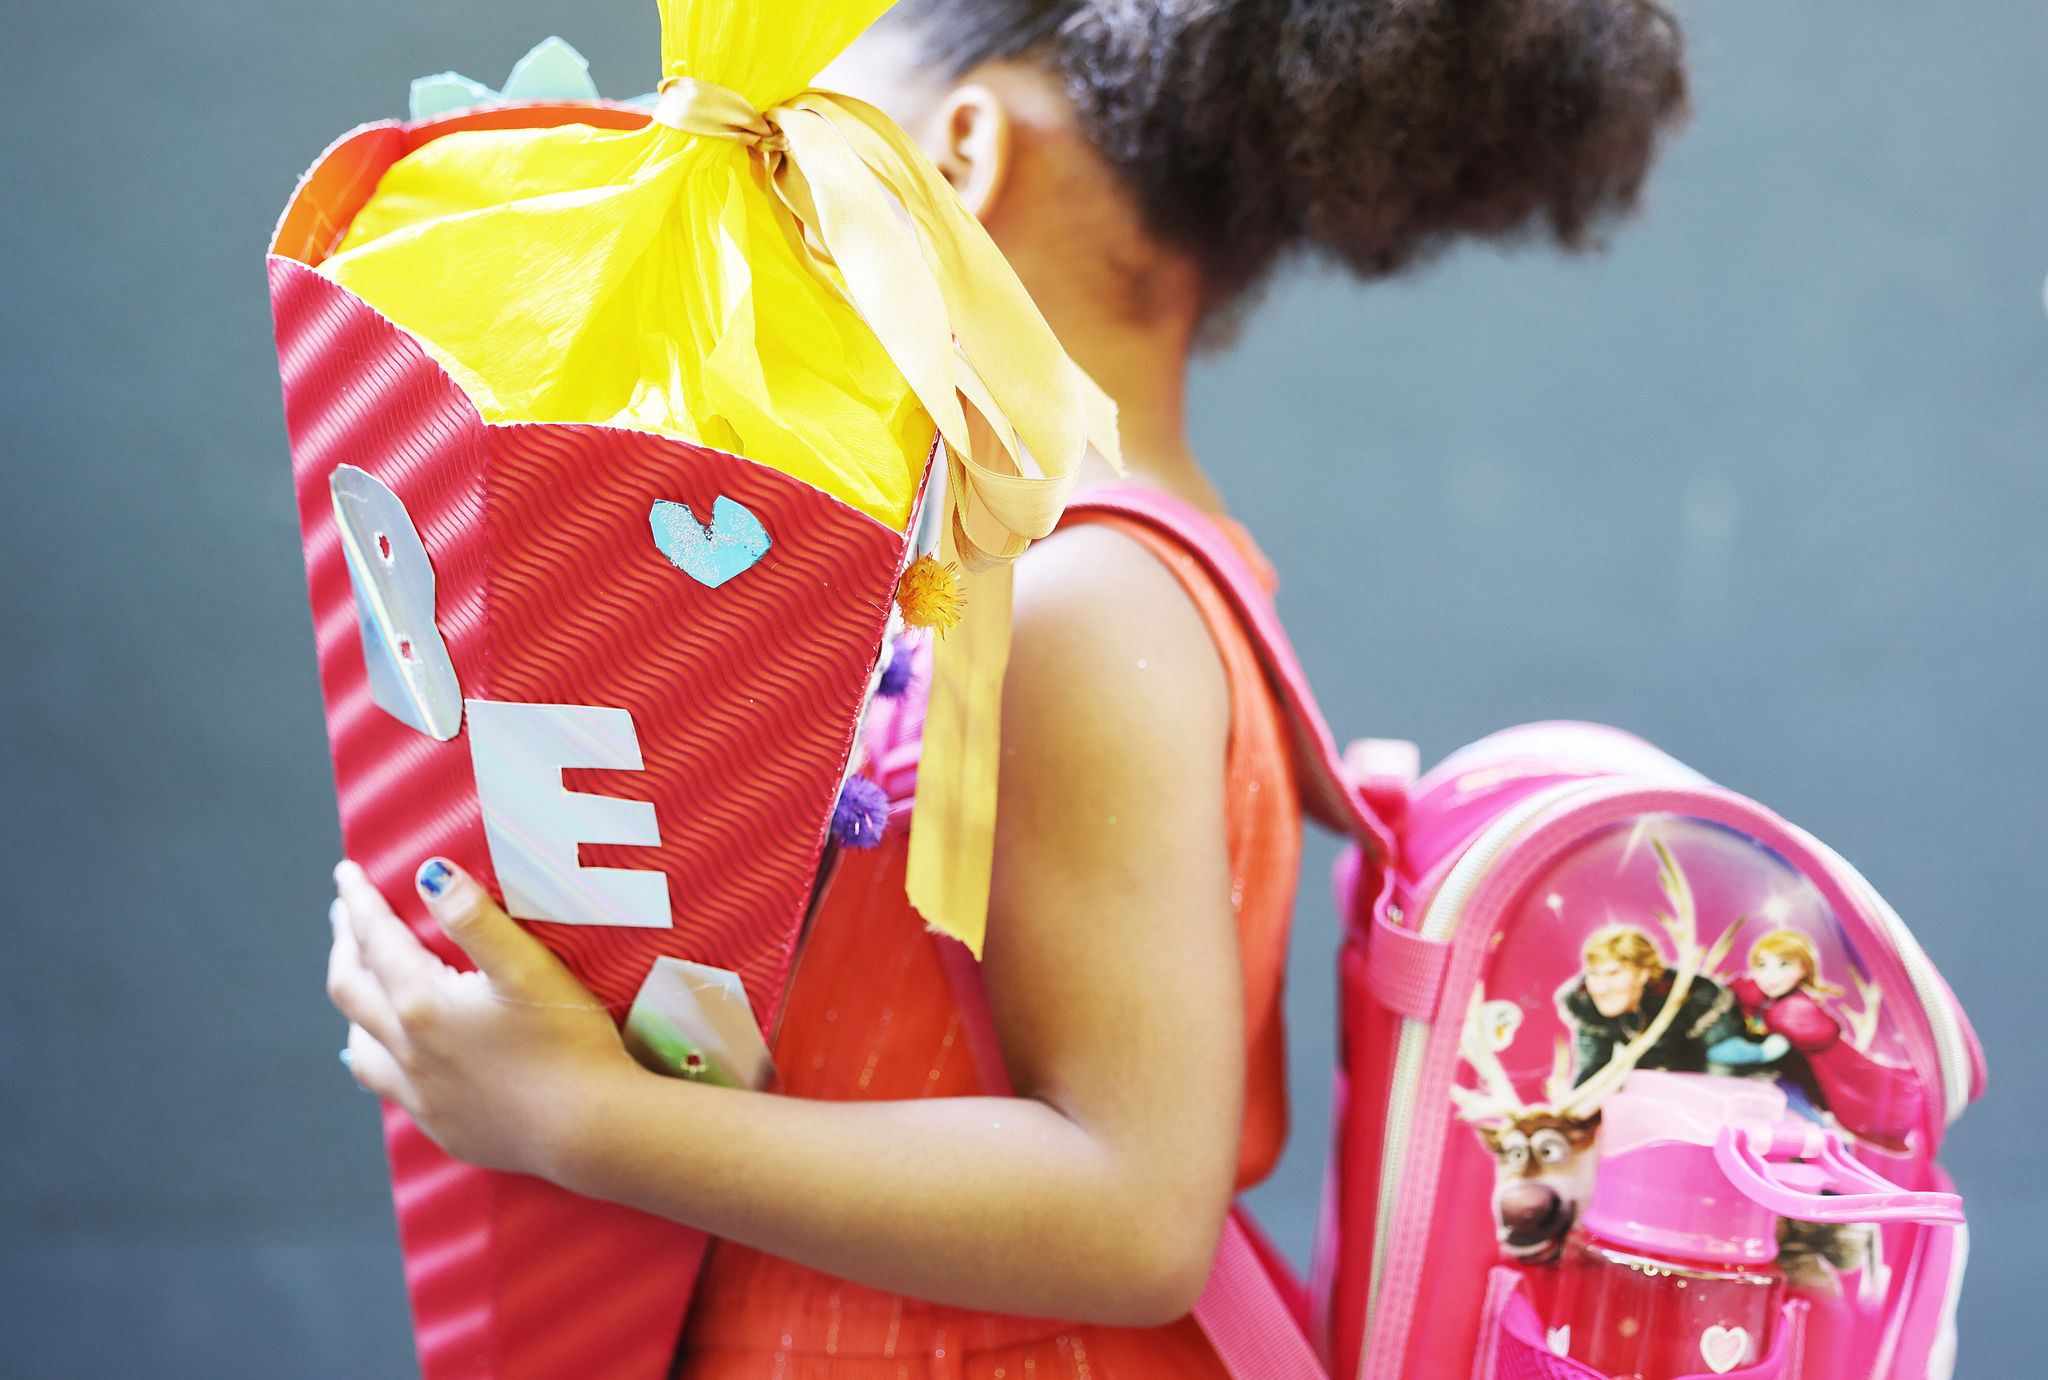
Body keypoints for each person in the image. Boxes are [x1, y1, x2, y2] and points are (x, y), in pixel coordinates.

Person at [325, 1, 1691, 1373]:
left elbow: (1135, 1212)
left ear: (966, 152)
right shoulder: (1022, 575)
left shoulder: (1079, 594)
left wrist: (580, 1119)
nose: (754, 206)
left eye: (793, 152)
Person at [1731, 928, 1925, 1151]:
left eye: (1784, 965)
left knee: (1816, 1134)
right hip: (1781, 1080)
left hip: (1795, 1084)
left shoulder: (1794, 1011)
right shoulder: (1769, 1002)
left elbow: (1805, 1034)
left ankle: (1837, 1168)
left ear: (1803, 969)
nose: (1770, 976)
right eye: (1762, 965)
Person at [1557, 924, 1747, 1084]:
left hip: (1701, 1087)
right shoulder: (1585, 1001)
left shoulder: (1698, 998)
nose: (1601, 988)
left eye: (1614, 973)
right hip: (1650, 1092)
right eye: (1593, 974)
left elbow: (1725, 1072)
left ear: (1643, 974)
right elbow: (1592, 1071)